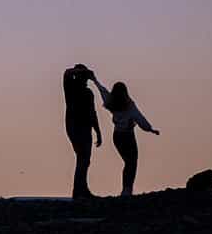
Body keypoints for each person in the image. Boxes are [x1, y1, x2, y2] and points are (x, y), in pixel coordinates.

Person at [99, 79, 159, 196]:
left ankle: (126, 189)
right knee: (131, 163)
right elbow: (139, 117)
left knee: (128, 163)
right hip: (128, 136)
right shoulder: (129, 104)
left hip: (117, 137)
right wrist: (150, 129)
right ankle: (127, 189)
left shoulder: (112, 103)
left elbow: (103, 92)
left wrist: (95, 80)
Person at [61, 64, 102, 198]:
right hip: (74, 127)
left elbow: (92, 113)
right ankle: (79, 190)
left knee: (84, 159)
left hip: (85, 128)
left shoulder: (88, 93)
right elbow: (66, 73)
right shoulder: (71, 88)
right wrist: (83, 71)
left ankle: (81, 189)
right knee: (82, 158)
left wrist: (98, 131)